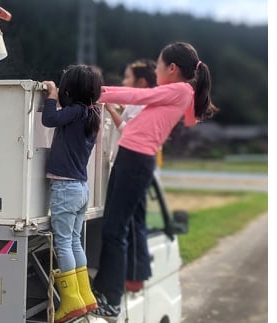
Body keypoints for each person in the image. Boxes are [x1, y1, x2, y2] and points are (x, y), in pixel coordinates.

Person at [91, 42, 218, 322]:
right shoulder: (183, 92)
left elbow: (136, 96)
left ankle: (111, 300)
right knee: (114, 227)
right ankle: (106, 294)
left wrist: (96, 92)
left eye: (159, 65)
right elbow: (191, 118)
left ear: (172, 69)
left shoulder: (180, 89)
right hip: (132, 158)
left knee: (115, 230)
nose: (157, 69)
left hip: (136, 161)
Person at [41, 64, 104, 323]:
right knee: (75, 241)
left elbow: (49, 120)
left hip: (66, 188)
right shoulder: (92, 112)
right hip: (80, 187)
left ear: (70, 89)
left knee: (64, 242)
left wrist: (52, 97)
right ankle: (85, 295)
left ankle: (70, 301)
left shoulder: (76, 112)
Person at [103, 58, 157, 294]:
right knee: (131, 221)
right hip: (132, 163)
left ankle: (133, 277)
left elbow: (127, 130)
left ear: (142, 81)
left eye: (127, 78)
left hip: (133, 163)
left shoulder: (146, 105)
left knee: (127, 224)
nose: (124, 82)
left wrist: (109, 107)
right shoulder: (139, 103)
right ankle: (134, 276)